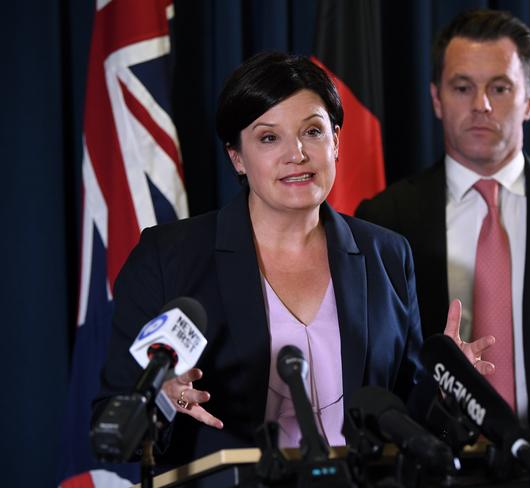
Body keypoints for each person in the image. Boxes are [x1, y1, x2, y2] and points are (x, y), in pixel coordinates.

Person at [93, 52, 492, 466]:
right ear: (237, 157)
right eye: (269, 137)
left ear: (336, 142)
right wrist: (162, 400)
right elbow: (111, 423)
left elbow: (407, 415)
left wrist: (449, 388)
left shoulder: (387, 254)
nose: (297, 154)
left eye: (313, 132)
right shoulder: (169, 256)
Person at [356, 10, 530, 433]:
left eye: (500, 87)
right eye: (462, 87)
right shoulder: (384, 220)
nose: (481, 105)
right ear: (436, 98)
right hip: (436, 468)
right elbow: (375, 374)